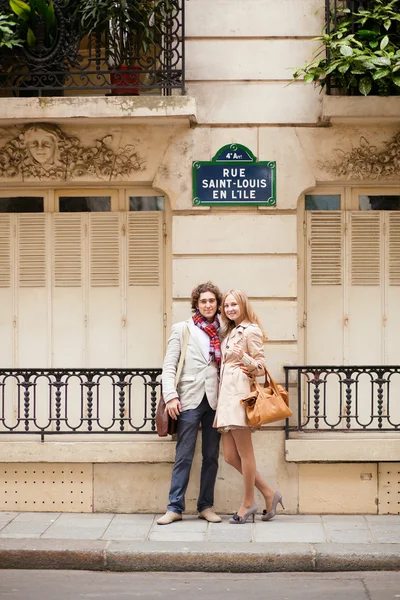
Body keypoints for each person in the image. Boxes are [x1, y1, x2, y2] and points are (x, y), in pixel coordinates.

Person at [214, 289, 284, 524]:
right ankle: (268, 493)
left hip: (240, 397)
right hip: (226, 399)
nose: (229, 309)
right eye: (226, 306)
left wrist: (243, 356)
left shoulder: (250, 330)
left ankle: (247, 503)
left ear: (243, 305)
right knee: (230, 456)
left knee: (245, 454)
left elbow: (262, 368)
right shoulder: (230, 331)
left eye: (234, 305)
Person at [157, 281, 223, 525]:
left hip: (215, 400)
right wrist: (171, 395)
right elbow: (169, 365)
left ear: (217, 304)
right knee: (183, 454)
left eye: (212, 301)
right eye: (203, 301)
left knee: (211, 456)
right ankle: (174, 507)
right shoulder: (182, 329)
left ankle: (206, 506)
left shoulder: (223, 330)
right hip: (188, 399)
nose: (208, 305)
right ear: (196, 304)